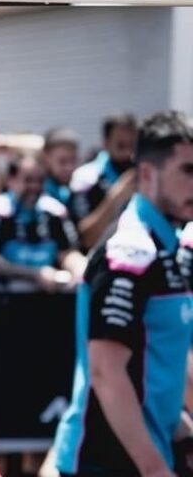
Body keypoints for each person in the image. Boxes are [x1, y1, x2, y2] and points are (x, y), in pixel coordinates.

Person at [53, 111, 193, 477]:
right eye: (188, 170)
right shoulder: (131, 252)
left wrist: (180, 429)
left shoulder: (170, 245)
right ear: (147, 173)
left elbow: (156, 360)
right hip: (107, 462)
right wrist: (155, 469)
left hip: (148, 452)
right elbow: (106, 372)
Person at [0, 154, 85, 292]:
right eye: (28, 180)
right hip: (4, 298)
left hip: (48, 296)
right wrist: (34, 274)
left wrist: (79, 268)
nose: (34, 187)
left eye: (40, 181)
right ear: (11, 181)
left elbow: (68, 253)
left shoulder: (55, 211)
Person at [70, 113, 138, 250]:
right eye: (121, 146)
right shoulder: (85, 177)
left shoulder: (146, 173)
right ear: (105, 143)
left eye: (132, 145)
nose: (128, 153)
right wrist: (116, 197)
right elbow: (86, 238)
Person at [43, 127, 80, 208]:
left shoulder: (77, 189)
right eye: (62, 161)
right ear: (47, 158)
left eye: (73, 160)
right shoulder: (38, 193)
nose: (69, 168)